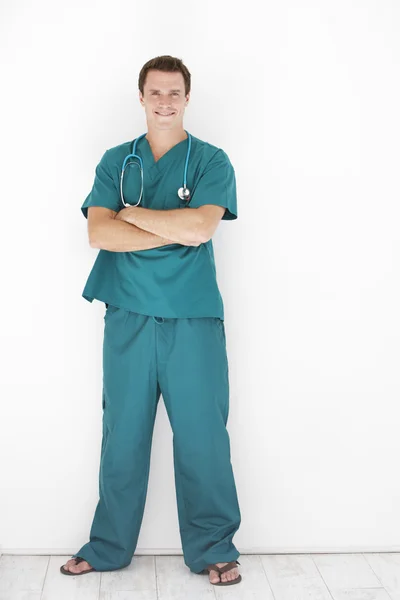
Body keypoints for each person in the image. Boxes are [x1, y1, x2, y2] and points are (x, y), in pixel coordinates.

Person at [60, 55, 242, 587]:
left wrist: (132, 214)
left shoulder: (211, 160)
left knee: (203, 436)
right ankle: (109, 545)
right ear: (140, 97)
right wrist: (173, 230)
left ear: (187, 98)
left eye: (175, 93)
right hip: (129, 318)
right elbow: (100, 235)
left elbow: (202, 228)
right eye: (156, 92)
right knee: (123, 436)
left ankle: (214, 548)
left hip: (193, 319)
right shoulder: (117, 162)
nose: (165, 101)